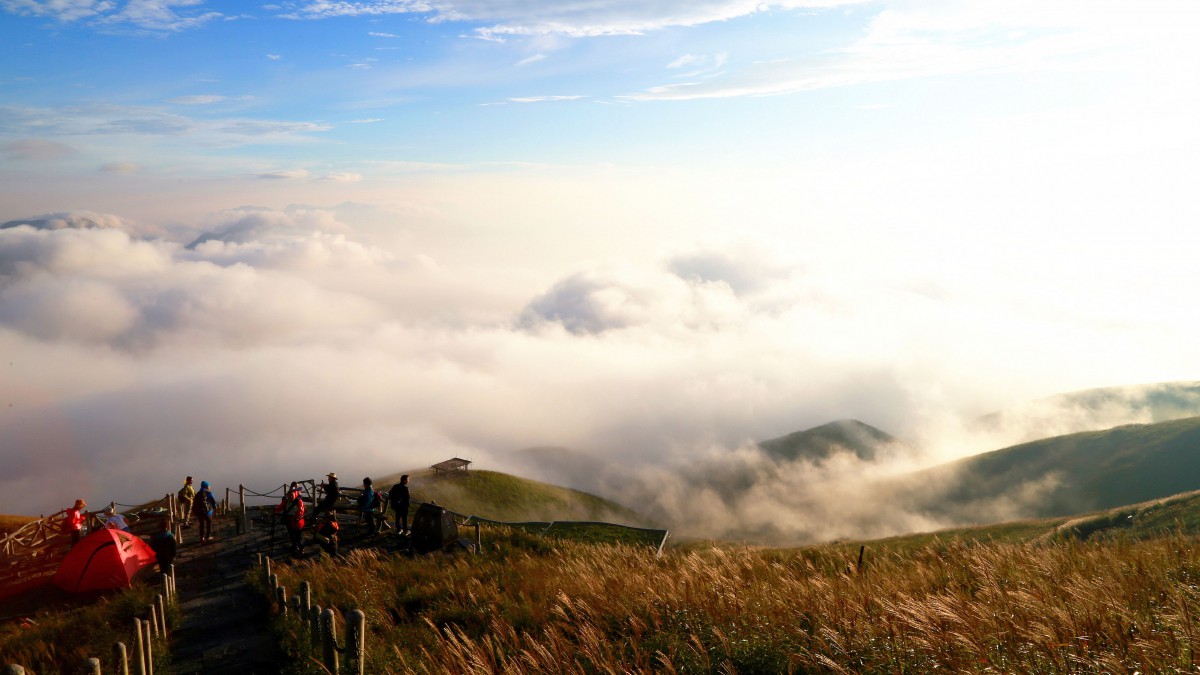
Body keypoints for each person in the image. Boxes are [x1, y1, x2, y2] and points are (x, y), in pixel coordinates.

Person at [275, 482, 306, 555]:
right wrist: (276, 510)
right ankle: (294, 546)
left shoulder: (299, 502)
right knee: (291, 535)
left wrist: (295, 518)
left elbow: (301, 511)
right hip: (289, 521)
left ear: (295, 494)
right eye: (289, 494)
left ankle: (301, 549)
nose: (290, 495)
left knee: (298, 537)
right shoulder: (287, 501)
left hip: (297, 522)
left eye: (291, 494)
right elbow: (281, 506)